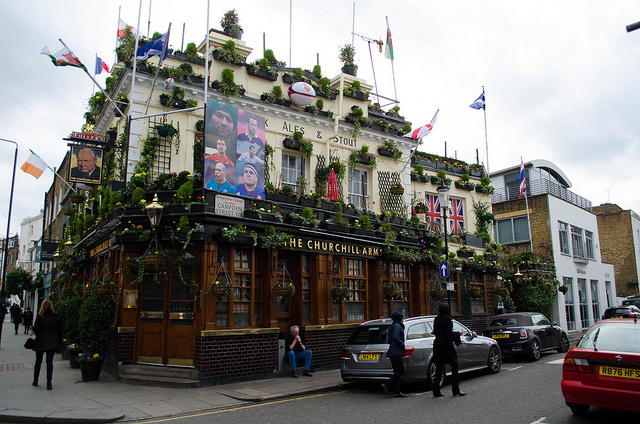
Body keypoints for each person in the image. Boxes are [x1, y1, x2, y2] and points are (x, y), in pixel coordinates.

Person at [432, 302, 465, 397]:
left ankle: (436, 390)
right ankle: (455, 389)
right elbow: (448, 335)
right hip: (446, 346)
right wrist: (458, 333)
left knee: (439, 368)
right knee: (454, 366)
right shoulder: (447, 320)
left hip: (438, 345)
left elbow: (437, 332)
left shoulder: (436, 319)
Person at [32, 300, 62, 390]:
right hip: (52, 341)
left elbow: (36, 330)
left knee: (38, 361)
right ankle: (49, 383)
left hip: (41, 341)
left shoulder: (40, 317)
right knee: (49, 362)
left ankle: (35, 380)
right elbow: (60, 330)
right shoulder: (56, 317)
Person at [381, 312, 407, 397]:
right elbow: (396, 337)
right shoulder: (397, 326)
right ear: (399, 319)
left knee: (396, 371)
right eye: (402, 318)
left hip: (393, 351)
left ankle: (396, 391)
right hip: (396, 352)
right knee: (400, 371)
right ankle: (387, 384)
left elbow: (389, 340)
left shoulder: (392, 326)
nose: (403, 320)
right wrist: (401, 344)